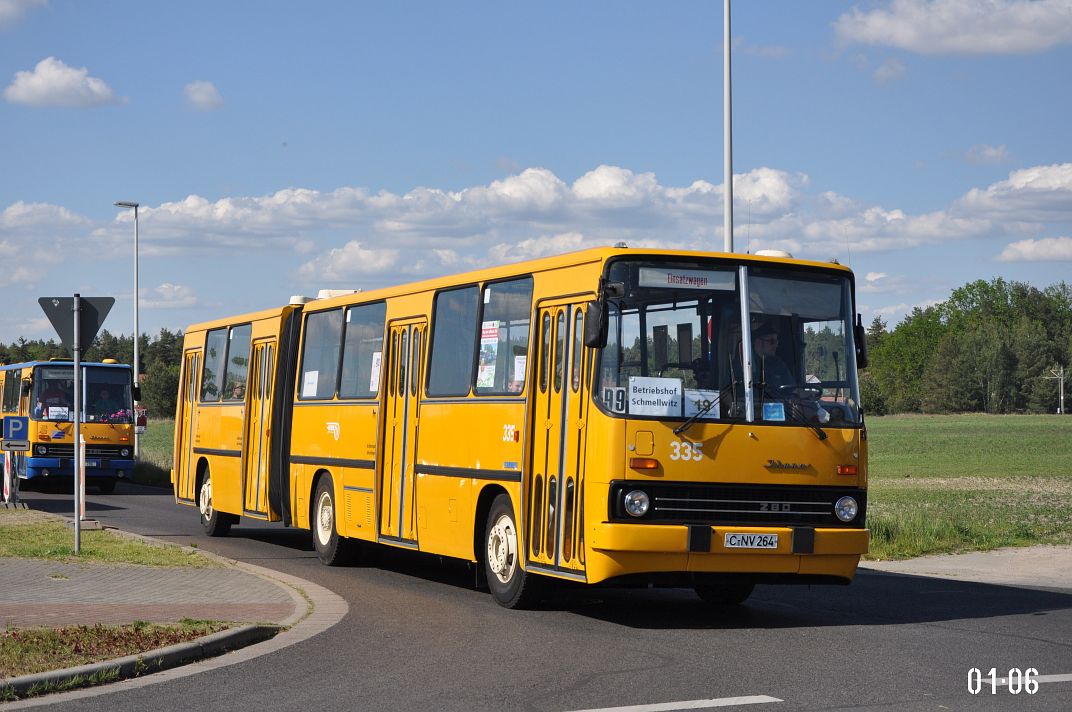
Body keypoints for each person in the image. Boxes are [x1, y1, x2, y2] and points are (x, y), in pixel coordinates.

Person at [750, 321, 795, 392]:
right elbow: (727, 395)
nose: (776, 345)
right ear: (758, 342)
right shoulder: (742, 365)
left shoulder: (779, 364)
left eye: (777, 342)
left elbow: (792, 389)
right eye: (772, 341)